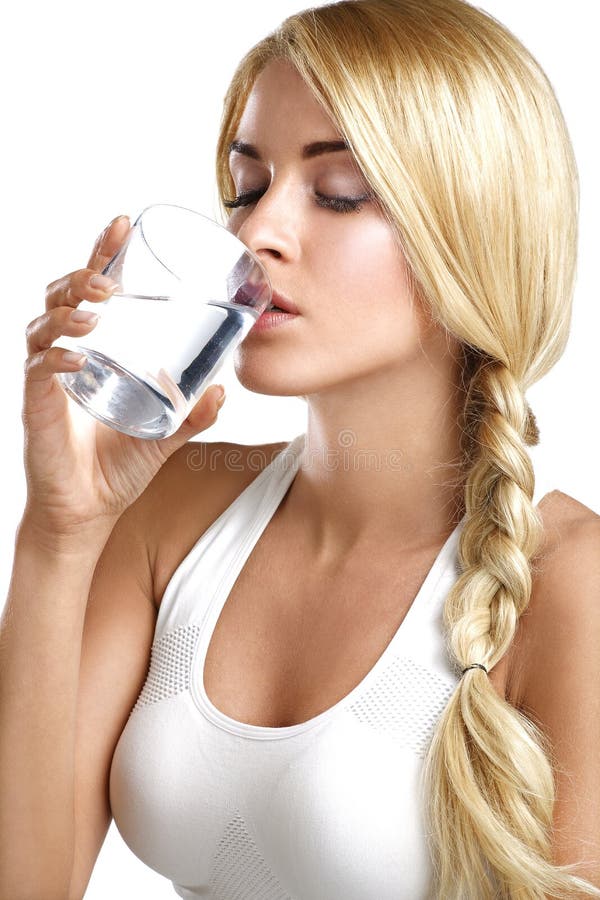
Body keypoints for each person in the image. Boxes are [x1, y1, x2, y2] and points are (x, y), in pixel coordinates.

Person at [1, 0, 599, 897]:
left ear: (472, 235)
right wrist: (60, 536)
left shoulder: (572, 585)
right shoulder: (174, 509)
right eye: (248, 186)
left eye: (340, 193)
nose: (255, 234)